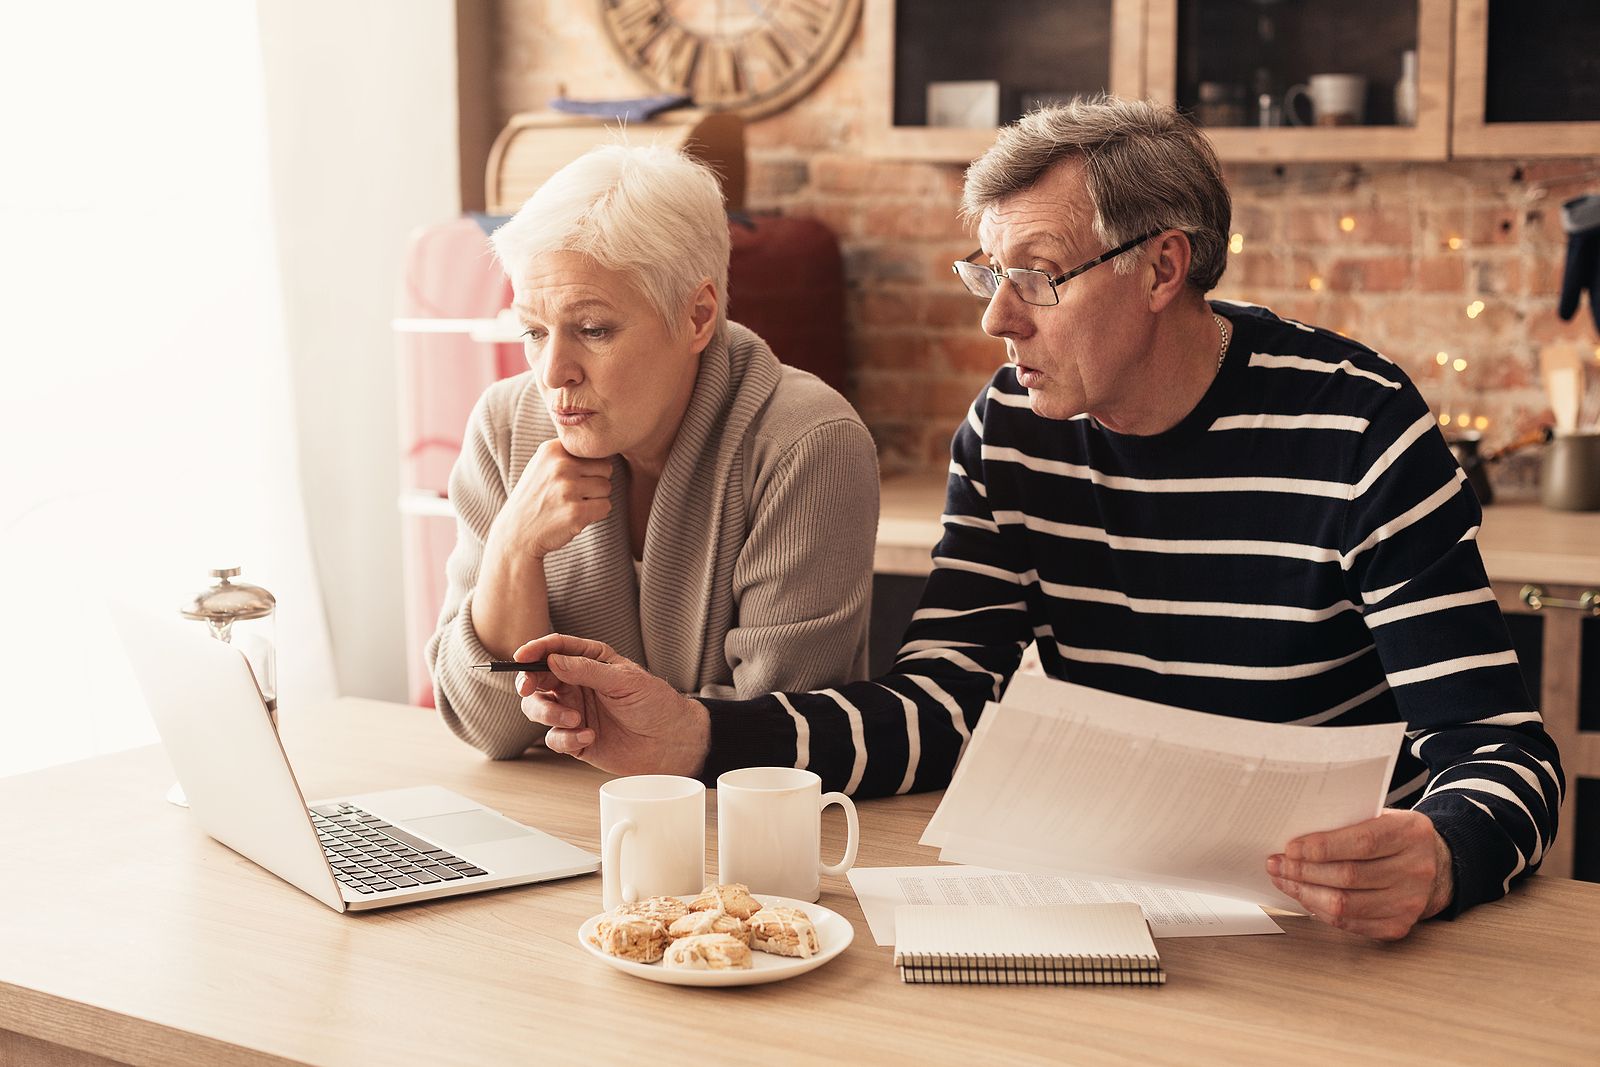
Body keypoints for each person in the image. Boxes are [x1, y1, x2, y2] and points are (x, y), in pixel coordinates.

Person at [510, 99, 1562, 941]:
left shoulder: (1357, 422)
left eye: (1034, 277)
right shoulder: (1014, 426)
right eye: (987, 272)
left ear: (1163, 266)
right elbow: (941, 705)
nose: (995, 317)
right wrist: (700, 733)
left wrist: (1439, 852)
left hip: (1327, 924)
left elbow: (1501, 750)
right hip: (1110, 905)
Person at [425, 143, 879, 760]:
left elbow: (774, 731)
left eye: (592, 329)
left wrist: (585, 717)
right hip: (562, 817)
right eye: (533, 330)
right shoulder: (504, 424)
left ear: (696, 317)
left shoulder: (807, 443)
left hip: (734, 836)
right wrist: (512, 546)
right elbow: (488, 728)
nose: (553, 372)